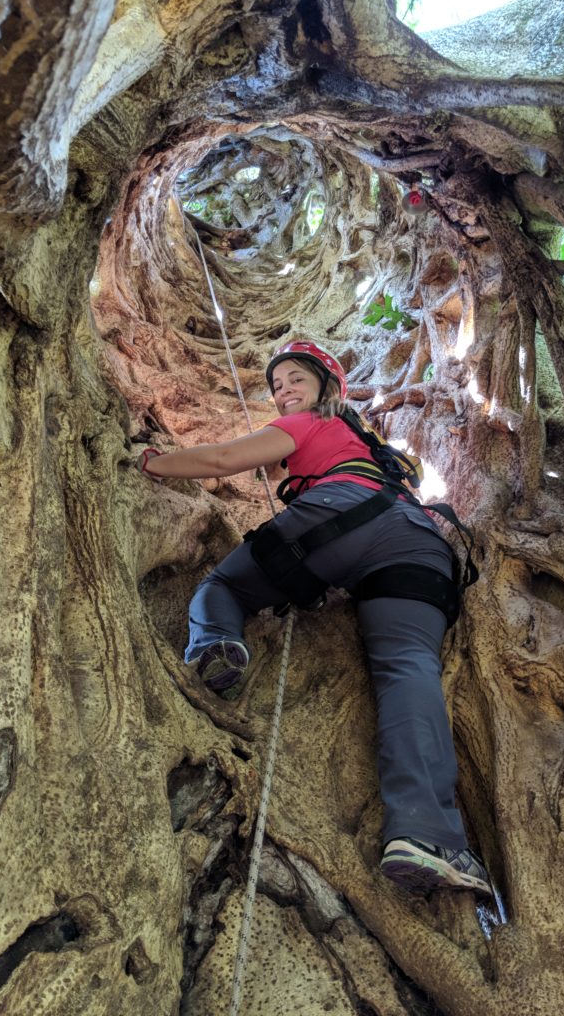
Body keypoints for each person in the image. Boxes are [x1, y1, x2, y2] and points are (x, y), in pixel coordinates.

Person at [137, 341, 491, 896]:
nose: (283, 391)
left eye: (295, 378)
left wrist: (149, 462)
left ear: (329, 388)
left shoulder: (307, 423)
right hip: (416, 540)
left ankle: (215, 648)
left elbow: (220, 461)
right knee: (408, 668)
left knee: (223, 585)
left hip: (335, 518)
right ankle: (427, 835)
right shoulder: (366, 443)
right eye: (277, 386)